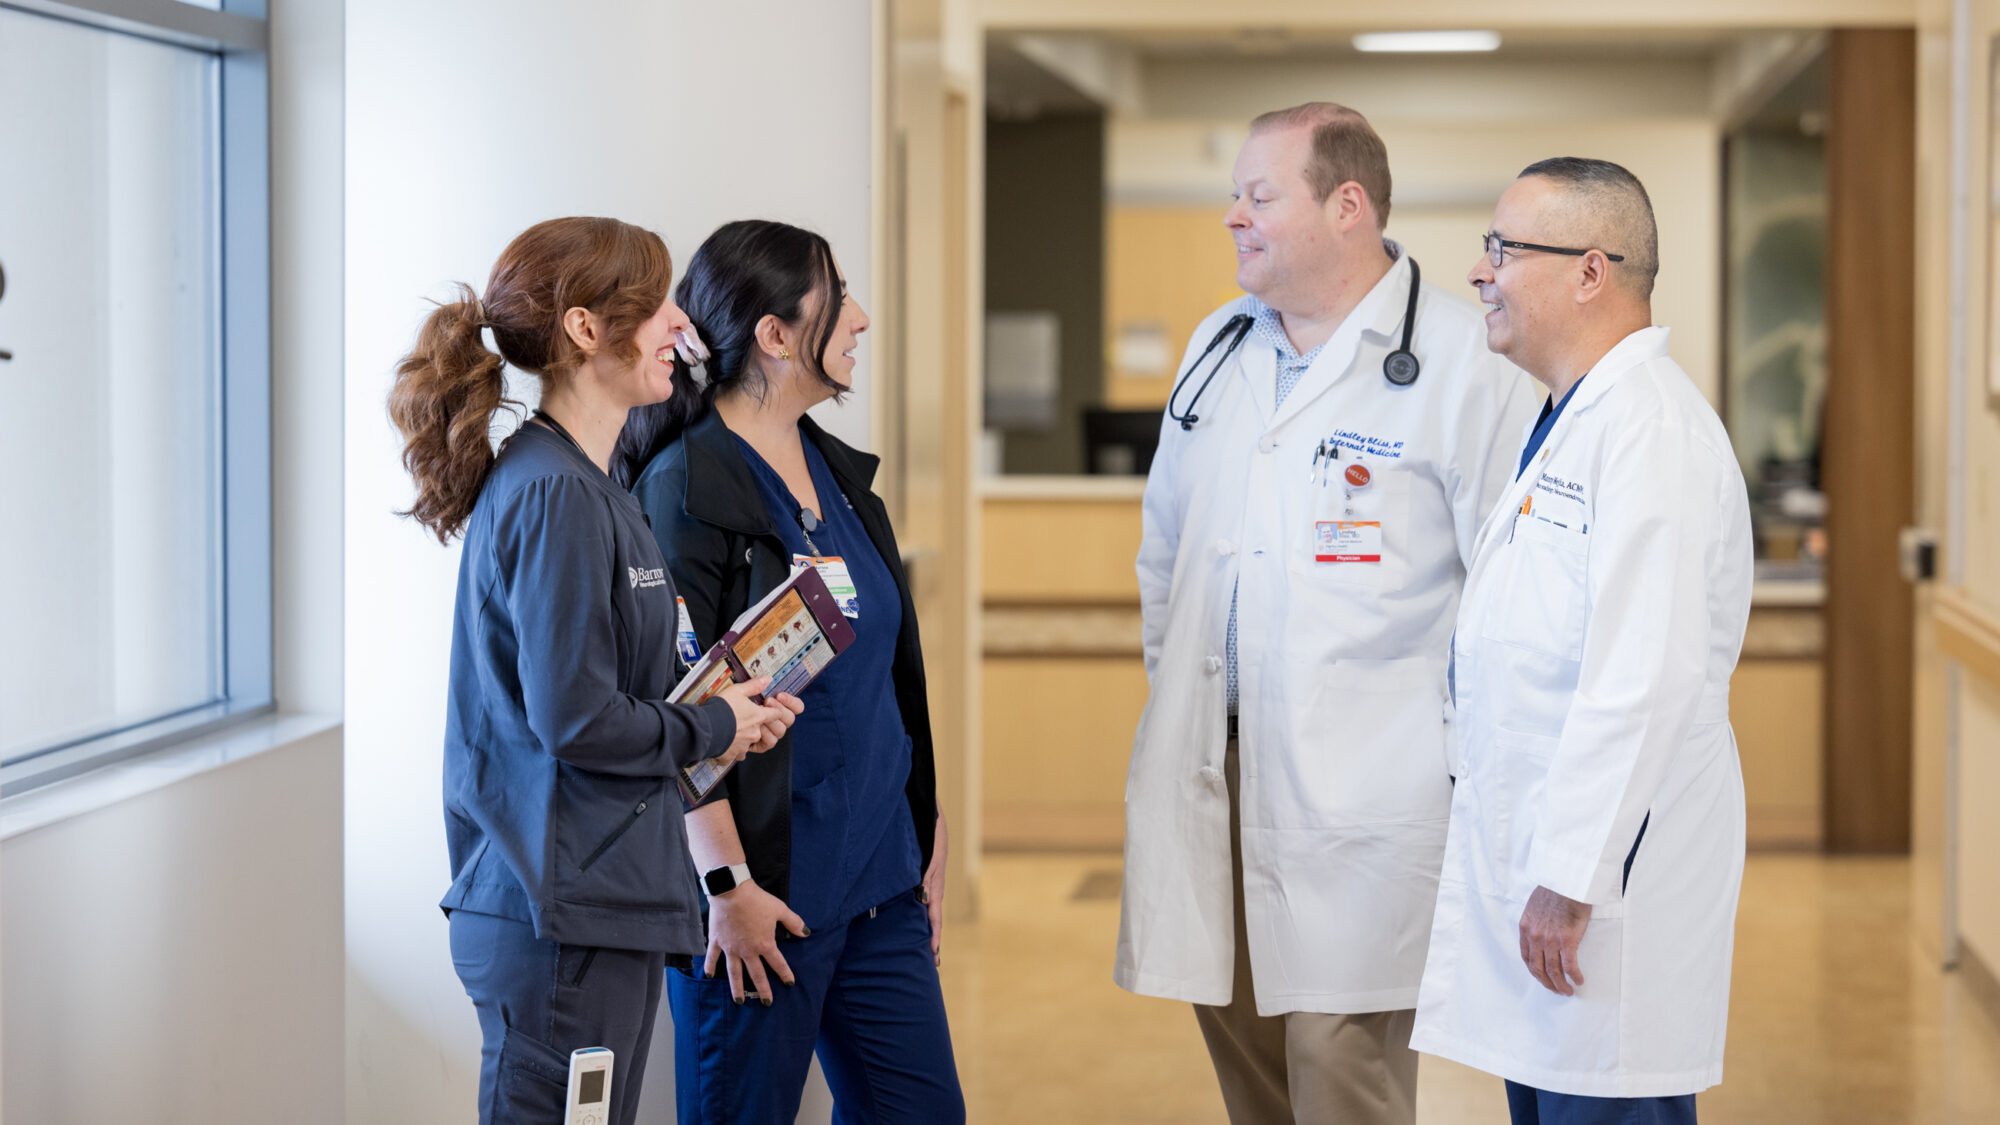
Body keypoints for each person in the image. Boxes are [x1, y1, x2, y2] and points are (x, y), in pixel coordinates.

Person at [1115, 103, 1539, 1125]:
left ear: (1346, 206)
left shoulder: (1460, 359)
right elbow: (1165, 553)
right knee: (1247, 1055)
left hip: (1372, 786)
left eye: (1258, 196)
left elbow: (1508, 596)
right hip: (1214, 765)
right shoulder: (1219, 345)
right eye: (1233, 196)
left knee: (1339, 1059)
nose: (1231, 218)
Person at [386, 216, 801, 1125]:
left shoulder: (589, 484)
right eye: (653, 308)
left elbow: (604, 696)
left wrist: (721, 709)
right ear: (583, 330)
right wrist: (716, 725)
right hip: (560, 923)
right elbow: (575, 718)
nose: (677, 328)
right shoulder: (556, 495)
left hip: (588, 908)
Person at [1409, 159, 1753, 1125]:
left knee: (1606, 1102)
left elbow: (1644, 677)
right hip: (1552, 886)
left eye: (1503, 249)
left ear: (1591, 272)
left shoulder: (1652, 432)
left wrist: (1571, 878)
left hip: (1601, 893)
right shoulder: (1572, 422)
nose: (1480, 272)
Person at [619, 219, 965, 1125]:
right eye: (838, 297)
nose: (859, 318)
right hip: (764, 893)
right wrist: (726, 887)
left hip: (879, 878)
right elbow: (668, 705)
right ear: (774, 335)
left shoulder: (839, 475)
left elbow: (888, 675)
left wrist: (922, 830)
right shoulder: (684, 489)